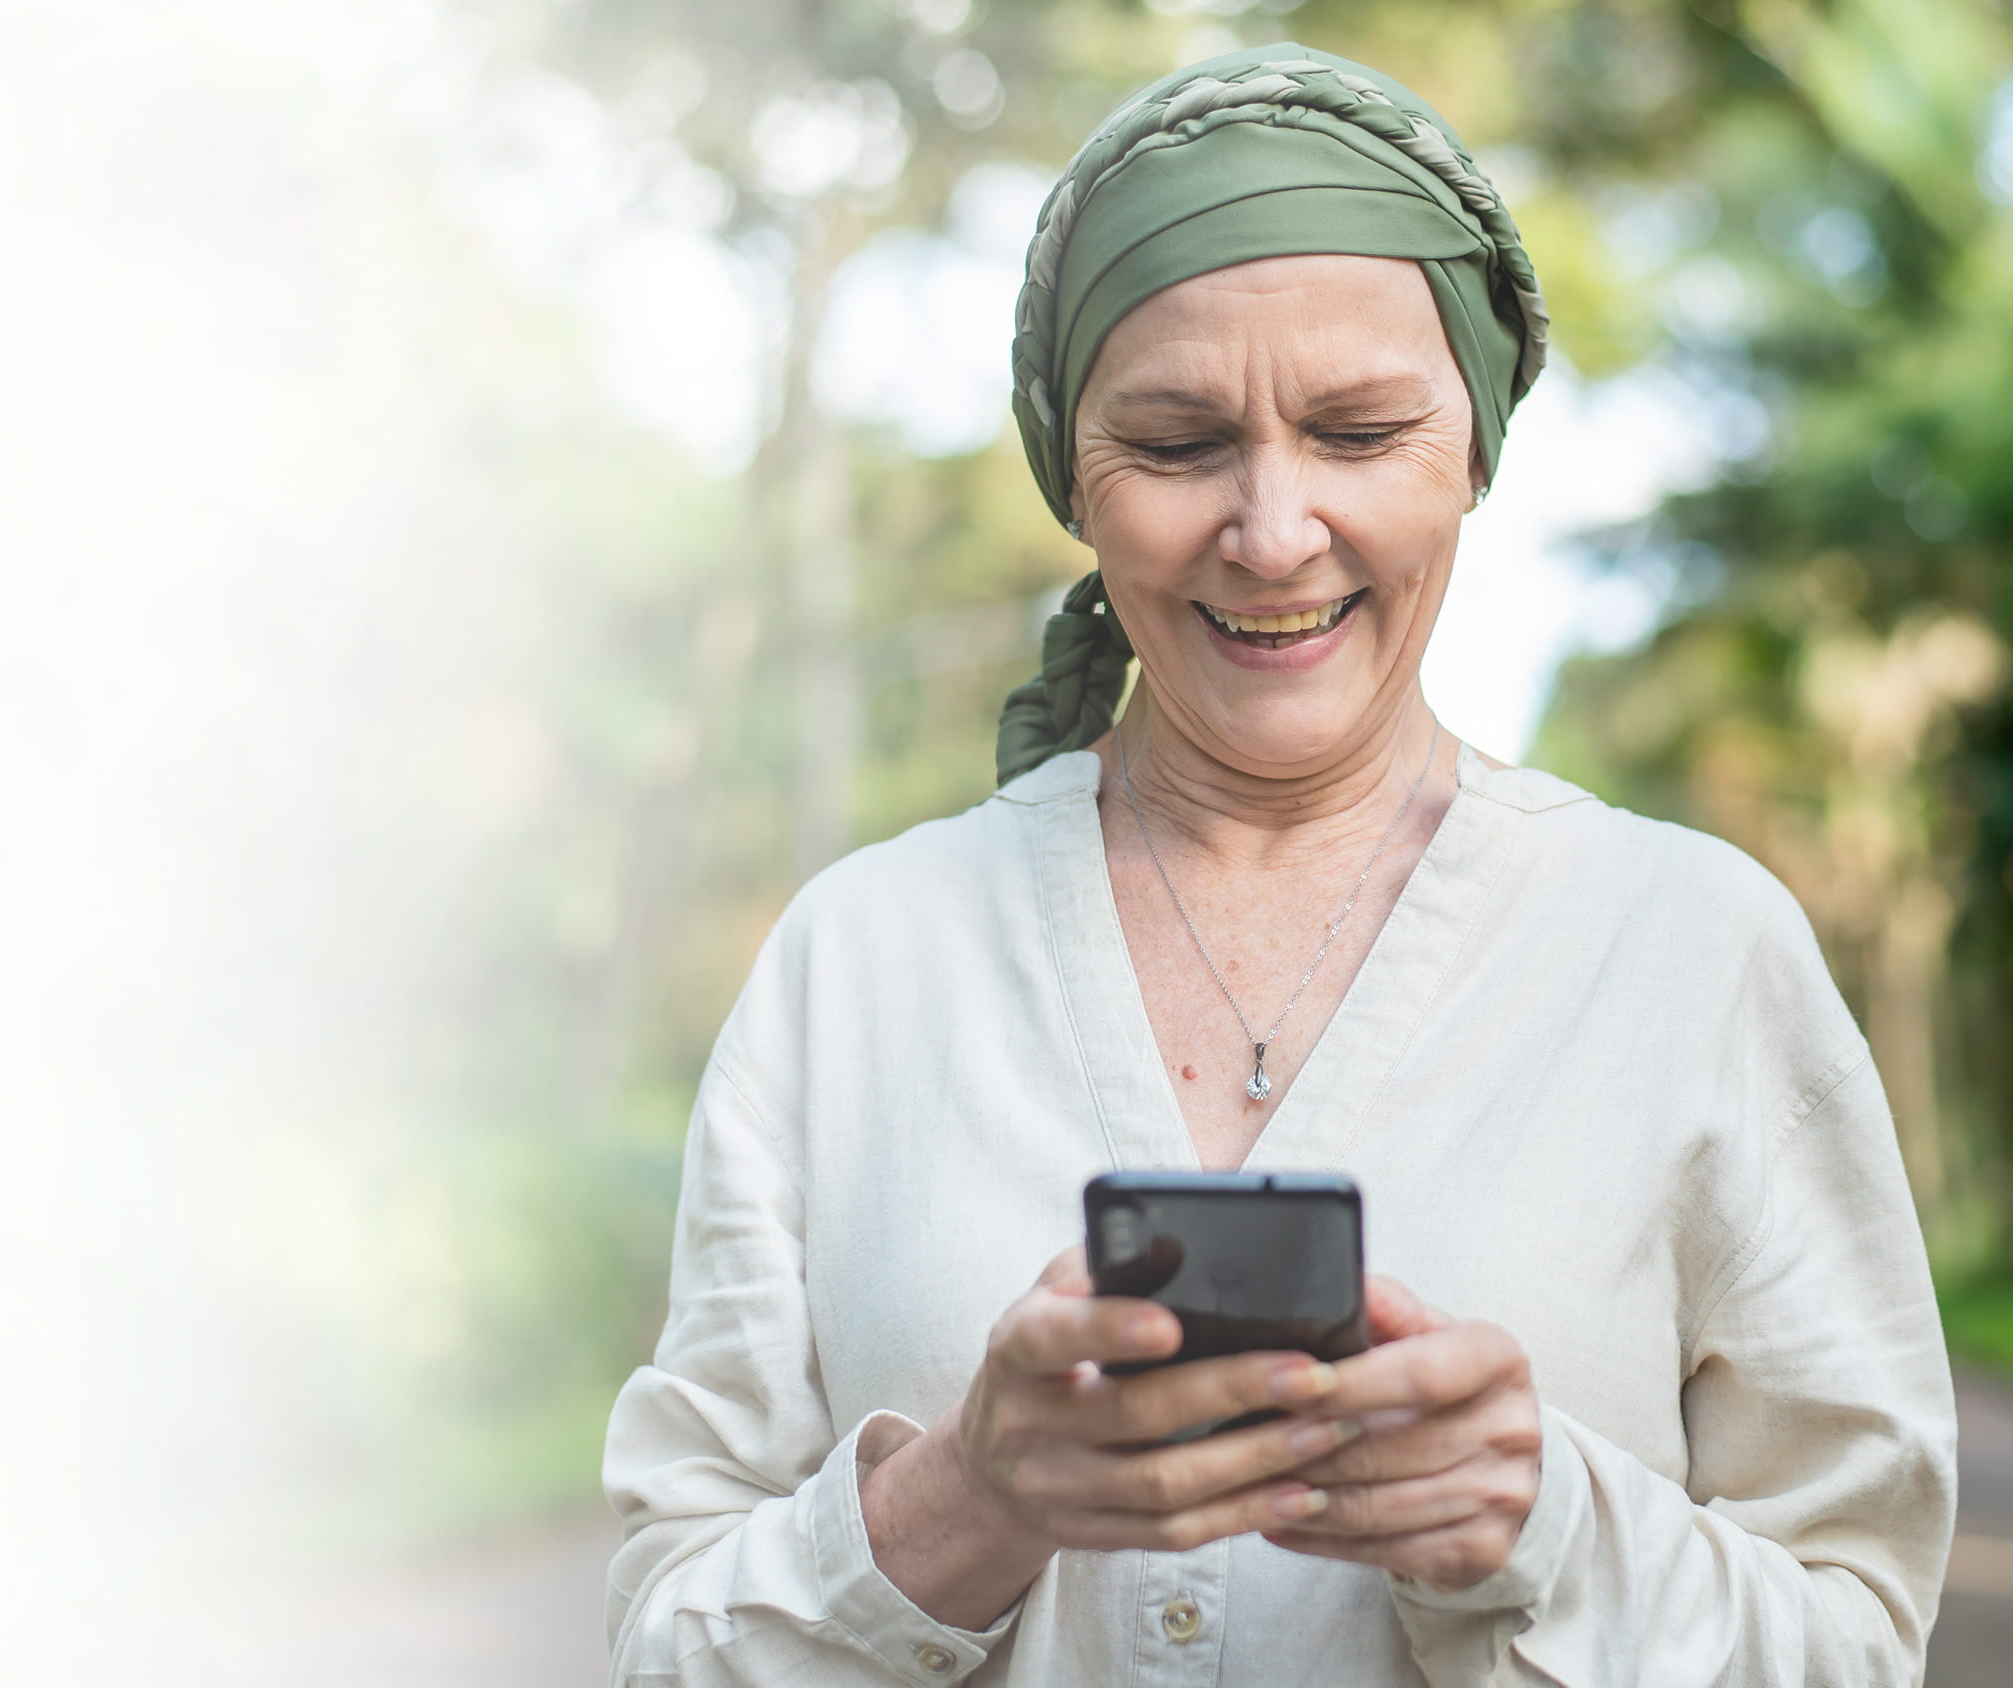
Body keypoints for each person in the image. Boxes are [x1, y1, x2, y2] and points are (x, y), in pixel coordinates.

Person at [601, 44, 1955, 1687]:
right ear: (1072, 479)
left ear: (1472, 451)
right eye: (1175, 444)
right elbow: (667, 1636)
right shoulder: (859, 963)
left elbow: (1855, 1643)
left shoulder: (1695, 952)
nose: (1272, 529)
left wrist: (1540, 1528)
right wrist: (961, 1506)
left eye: (1360, 429)